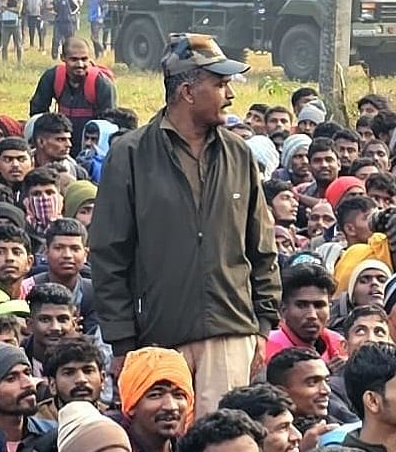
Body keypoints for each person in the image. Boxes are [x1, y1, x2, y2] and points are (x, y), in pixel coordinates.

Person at [90, 33, 282, 398]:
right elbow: (109, 254)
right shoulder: (130, 155)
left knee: (223, 447)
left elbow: (261, 245)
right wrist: (121, 341)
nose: (231, 95)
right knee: (165, 446)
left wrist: (263, 325)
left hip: (232, 333)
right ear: (187, 92)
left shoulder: (239, 154)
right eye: (220, 84)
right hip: (157, 339)